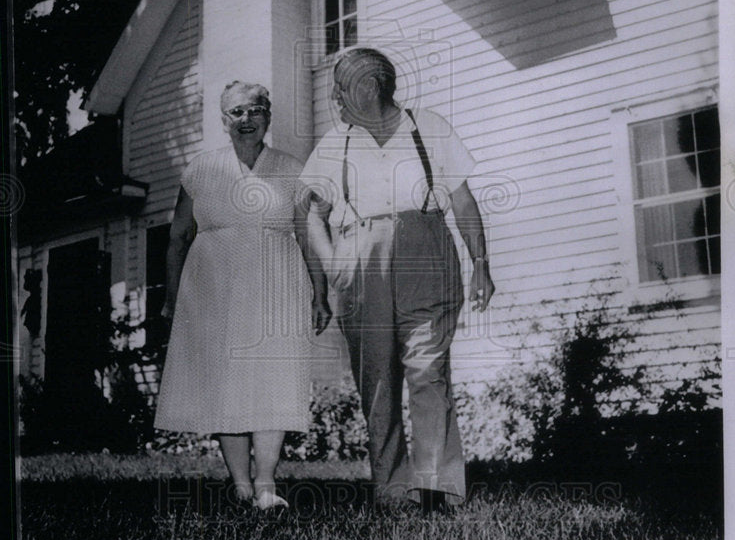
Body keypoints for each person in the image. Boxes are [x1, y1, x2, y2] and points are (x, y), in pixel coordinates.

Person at [297, 48, 495, 512]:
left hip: (425, 250)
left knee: (429, 372)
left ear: (368, 89)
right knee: (378, 383)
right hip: (360, 259)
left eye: (341, 88)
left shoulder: (429, 126)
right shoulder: (334, 143)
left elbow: (463, 204)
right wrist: (329, 271)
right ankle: (393, 492)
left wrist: (481, 262)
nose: (334, 98)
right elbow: (309, 215)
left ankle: (437, 489)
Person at [154, 82, 331, 509]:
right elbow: (178, 237)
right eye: (236, 112)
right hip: (212, 287)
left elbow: (308, 235)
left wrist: (320, 293)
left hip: (277, 287)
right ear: (223, 120)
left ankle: (267, 485)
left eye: (255, 110)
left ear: (268, 117)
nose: (246, 120)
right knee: (225, 382)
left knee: (271, 378)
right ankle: (240, 485)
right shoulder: (200, 170)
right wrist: (172, 298)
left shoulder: (292, 168)